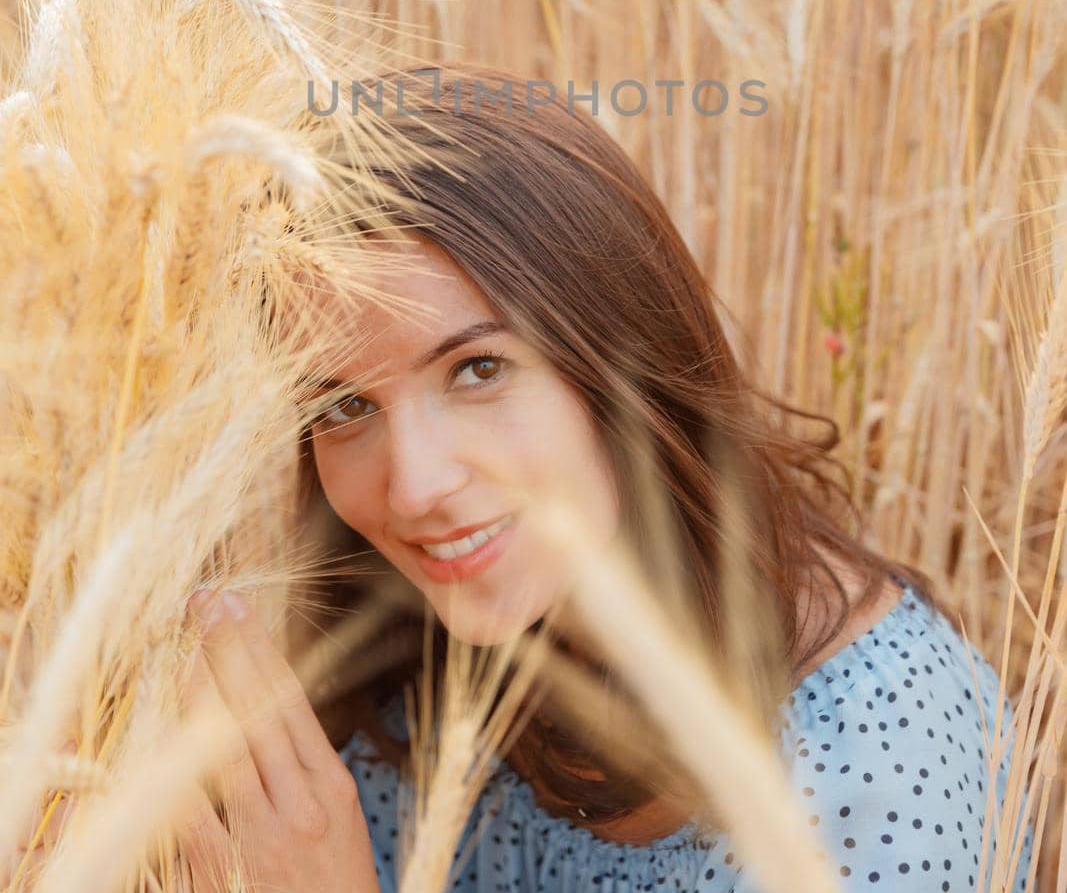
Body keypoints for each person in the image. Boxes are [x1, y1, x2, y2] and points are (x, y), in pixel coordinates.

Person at [274, 62, 1033, 893]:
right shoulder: (420, 669)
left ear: (624, 359)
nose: (412, 488)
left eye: (478, 368)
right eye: (343, 406)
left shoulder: (878, 761)